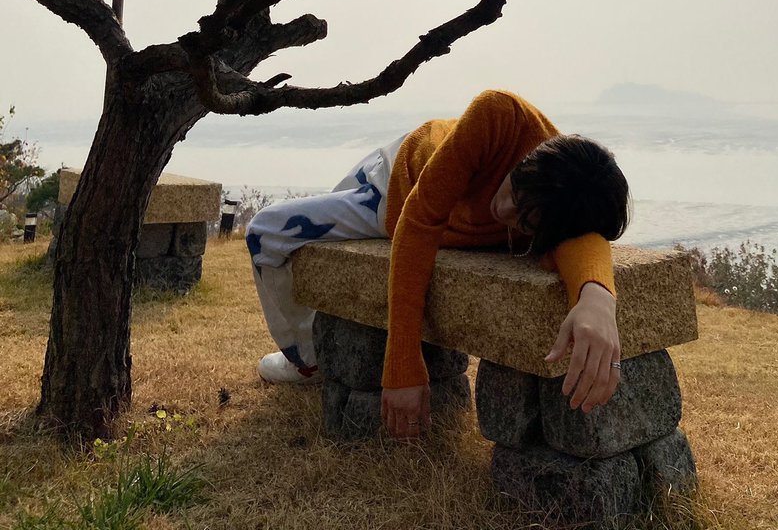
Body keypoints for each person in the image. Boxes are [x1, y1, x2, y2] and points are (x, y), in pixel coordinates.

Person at [246, 89, 630, 439]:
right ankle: (307, 359)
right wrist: (402, 365)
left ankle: (305, 360)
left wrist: (597, 298)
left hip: (418, 199)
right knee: (264, 231)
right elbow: (418, 226)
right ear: (529, 161)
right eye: (515, 189)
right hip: (392, 184)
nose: (502, 210)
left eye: (525, 221)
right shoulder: (502, 116)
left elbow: (585, 241)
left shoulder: (568, 201)